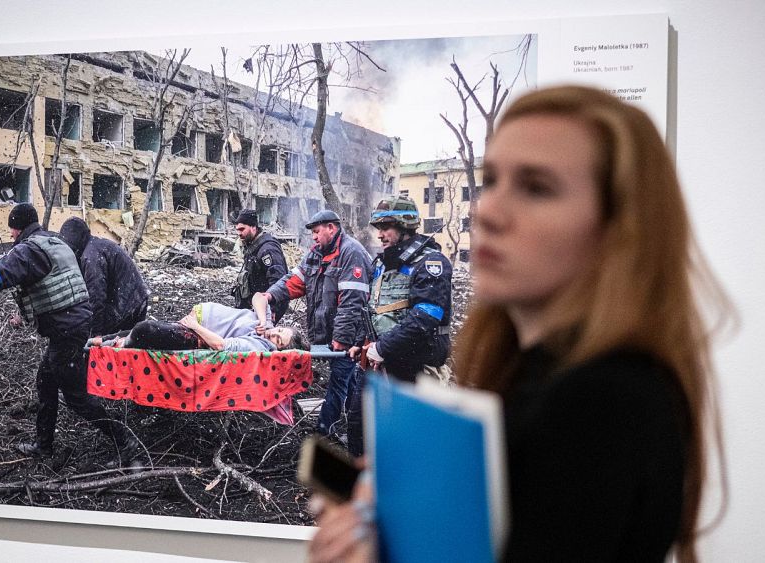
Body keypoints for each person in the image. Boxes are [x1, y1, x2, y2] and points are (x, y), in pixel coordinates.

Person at [309, 86, 730, 563]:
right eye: (492, 182)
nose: (488, 211)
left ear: (619, 227)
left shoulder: (602, 400)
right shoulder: (542, 373)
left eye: (536, 187)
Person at [0, 203, 141, 468]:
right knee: (45, 380)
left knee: (75, 396)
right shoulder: (54, 242)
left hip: (68, 330)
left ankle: (125, 440)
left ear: (18, 228)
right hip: (73, 325)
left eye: (11, 230)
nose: (10, 236)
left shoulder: (28, 250)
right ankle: (44, 445)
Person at [343, 195, 453, 456]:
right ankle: (364, 488)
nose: (380, 235)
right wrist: (361, 343)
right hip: (379, 363)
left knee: (409, 443)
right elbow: (372, 309)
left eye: (386, 228)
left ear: (405, 226)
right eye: (378, 229)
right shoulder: (381, 264)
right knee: (358, 427)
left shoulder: (430, 263)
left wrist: (382, 347)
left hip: (414, 365)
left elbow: (426, 317)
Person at [262, 209, 371, 438]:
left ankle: (324, 428)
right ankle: (357, 422)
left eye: (317, 231)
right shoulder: (315, 254)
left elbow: (352, 304)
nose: (313, 237)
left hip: (351, 333)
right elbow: (294, 281)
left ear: (332, 227)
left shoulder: (352, 254)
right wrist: (270, 296)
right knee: (348, 378)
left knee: (339, 379)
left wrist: (341, 339)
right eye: (312, 232)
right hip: (328, 332)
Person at [92, 298, 307, 353]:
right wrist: (262, 319)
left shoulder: (260, 347)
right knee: (137, 329)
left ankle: (118, 345)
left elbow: (221, 345)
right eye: (279, 331)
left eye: (279, 341)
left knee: (144, 330)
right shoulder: (266, 325)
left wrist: (195, 325)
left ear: (278, 349)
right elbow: (260, 297)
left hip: (197, 335)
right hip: (194, 323)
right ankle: (101, 341)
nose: (274, 335)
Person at [59, 216, 149, 337]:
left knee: (108, 344)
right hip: (135, 299)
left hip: (127, 304)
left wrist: (96, 334)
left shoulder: (91, 256)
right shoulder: (95, 246)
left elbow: (96, 297)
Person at [231, 208, 289, 322]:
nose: (239, 233)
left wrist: (273, 308)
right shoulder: (252, 246)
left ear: (253, 227)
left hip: (266, 308)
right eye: (237, 229)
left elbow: (278, 281)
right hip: (254, 306)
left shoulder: (267, 249)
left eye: (242, 229)